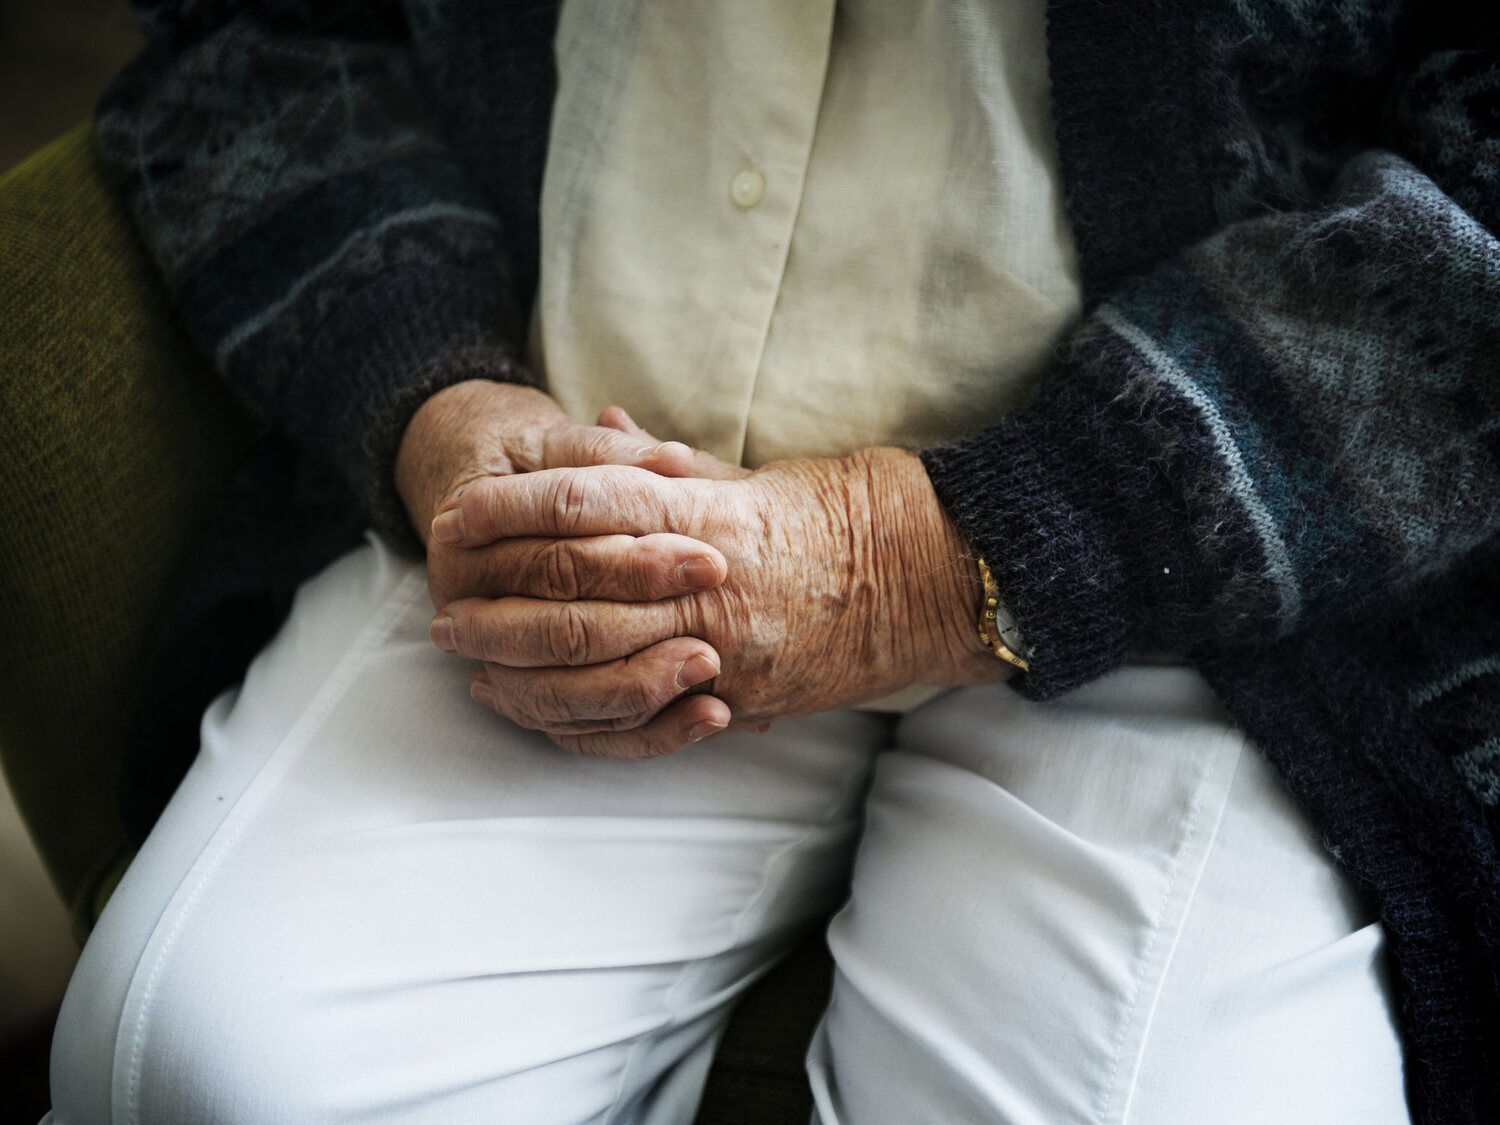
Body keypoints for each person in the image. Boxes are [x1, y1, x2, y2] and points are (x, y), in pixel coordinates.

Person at [45, 0, 1499, 1121]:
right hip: (594, 457)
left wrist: (927, 557)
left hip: (1210, 580)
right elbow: (250, 36)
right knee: (206, 1063)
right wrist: (429, 385)